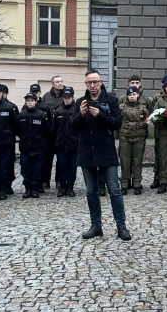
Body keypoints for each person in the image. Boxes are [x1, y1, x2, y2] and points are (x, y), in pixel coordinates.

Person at [72, 70, 131, 241]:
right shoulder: (80, 102)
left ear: (101, 82)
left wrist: (100, 115)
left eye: (95, 82)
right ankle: (96, 226)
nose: (92, 86)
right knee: (91, 191)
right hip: (86, 152)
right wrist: (81, 115)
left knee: (114, 190)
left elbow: (116, 123)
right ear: (86, 85)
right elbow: (72, 126)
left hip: (106, 152)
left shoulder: (111, 100)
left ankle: (121, 226)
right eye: (89, 83)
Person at [17, 93, 50, 198]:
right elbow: (18, 130)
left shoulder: (41, 114)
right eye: (28, 101)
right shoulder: (22, 114)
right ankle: (27, 189)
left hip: (38, 147)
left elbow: (47, 130)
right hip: (25, 147)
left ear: (36, 102)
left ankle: (35, 189)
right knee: (25, 169)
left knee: (37, 169)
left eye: (32, 100)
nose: (30, 102)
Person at [119, 86, 149, 194]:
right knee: (125, 161)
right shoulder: (121, 107)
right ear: (127, 96)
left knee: (137, 161)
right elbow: (118, 121)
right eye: (130, 95)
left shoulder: (143, 108)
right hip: (125, 138)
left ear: (138, 95)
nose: (132, 97)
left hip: (139, 138)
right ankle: (124, 184)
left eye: (134, 94)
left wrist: (141, 125)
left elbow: (147, 122)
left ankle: (137, 184)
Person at [40, 75, 66, 190]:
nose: (60, 83)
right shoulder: (46, 96)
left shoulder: (67, 95)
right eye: (57, 82)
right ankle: (45, 180)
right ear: (52, 84)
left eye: (61, 81)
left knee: (61, 159)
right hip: (48, 133)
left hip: (61, 132)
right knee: (47, 158)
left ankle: (59, 180)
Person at [51, 86, 79, 197]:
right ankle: (62, 187)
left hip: (74, 143)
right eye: (65, 97)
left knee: (72, 167)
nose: (67, 99)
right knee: (61, 166)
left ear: (72, 97)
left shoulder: (77, 110)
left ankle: (70, 187)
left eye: (69, 97)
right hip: (61, 144)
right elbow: (54, 129)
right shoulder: (58, 111)